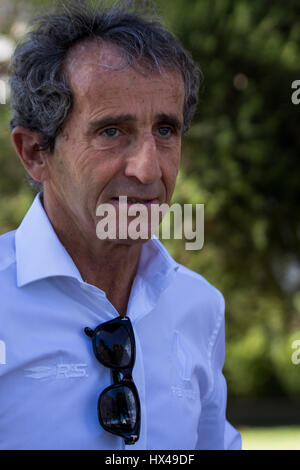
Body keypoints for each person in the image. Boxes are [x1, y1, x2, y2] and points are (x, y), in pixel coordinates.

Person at [0, 0, 242, 450]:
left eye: (166, 131)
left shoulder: (199, 307)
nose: (149, 170)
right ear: (35, 153)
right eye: (112, 131)